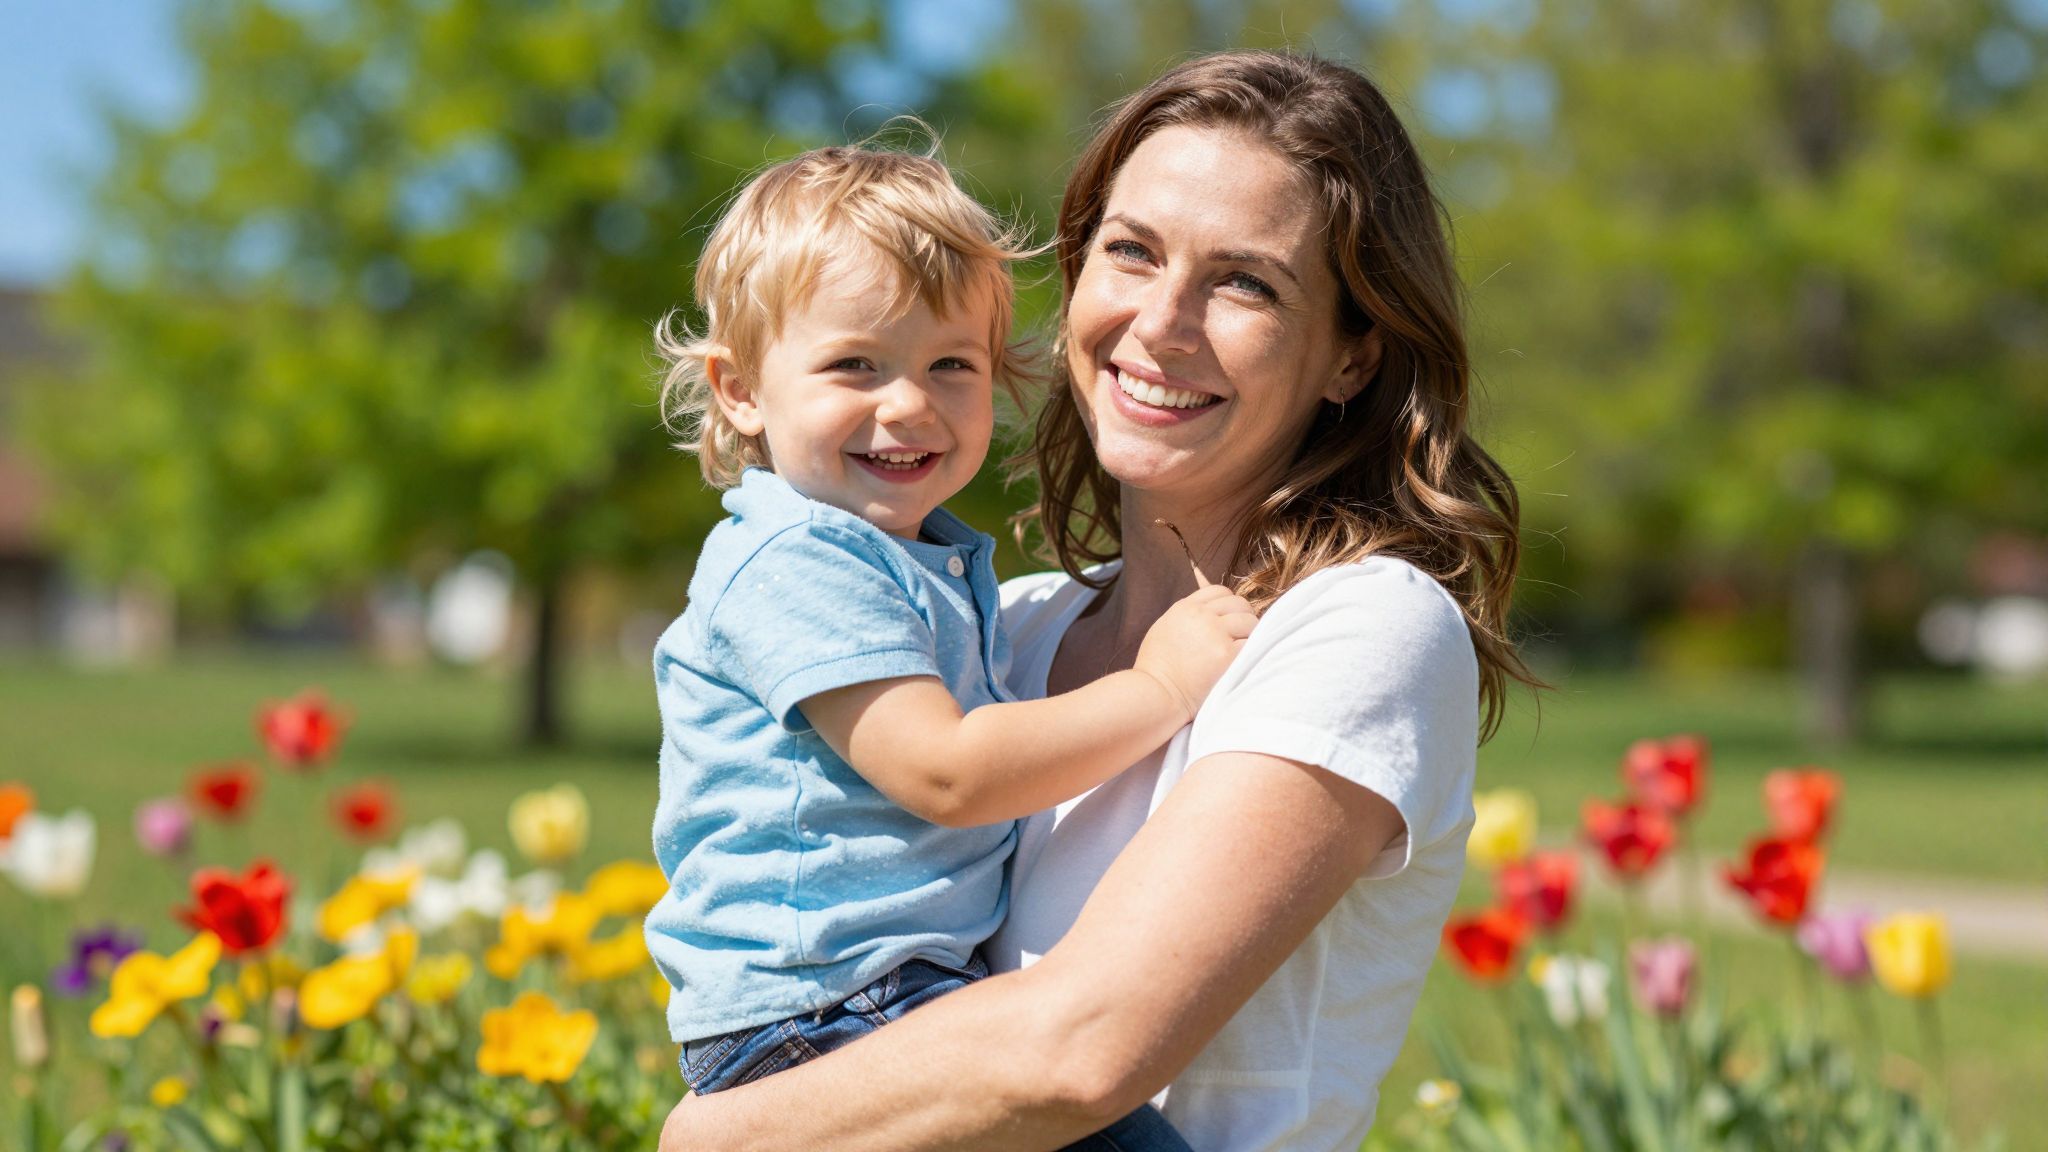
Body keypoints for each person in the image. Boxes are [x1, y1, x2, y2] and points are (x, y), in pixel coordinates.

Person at [656, 49, 1535, 1152]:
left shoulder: (1359, 626)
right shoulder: (997, 631)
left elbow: (1079, 1057)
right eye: (1130, 252)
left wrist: (717, 1139)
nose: (1162, 322)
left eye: (1244, 282)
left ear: (1349, 359)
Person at [644, 140, 1257, 1150]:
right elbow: (945, 772)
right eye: (855, 364)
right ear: (741, 389)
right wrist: (1159, 686)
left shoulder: (901, 556)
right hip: (821, 1015)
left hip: (879, 994)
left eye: (950, 366)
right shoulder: (796, 561)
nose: (908, 404)